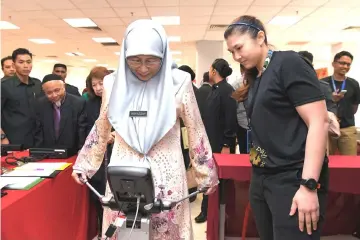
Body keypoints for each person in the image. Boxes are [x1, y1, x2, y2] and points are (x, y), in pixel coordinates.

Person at [71, 19, 218, 240]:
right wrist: (85, 164)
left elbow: (195, 127)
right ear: (124, 55)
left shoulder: (179, 82)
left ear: (163, 54)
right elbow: (102, 126)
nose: (142, 68)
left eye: (151, 60)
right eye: (134, 60)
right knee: (124, 230)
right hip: (124, 170)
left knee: (165, 229)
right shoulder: (112, 83)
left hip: (166, 172)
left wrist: (206, 173)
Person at [224, 15, 329, 240]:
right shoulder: (256, 75)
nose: (236, 56)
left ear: (260, 37)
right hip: (262, 175)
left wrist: (309, 185)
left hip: (292, 176)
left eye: (239, 47)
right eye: (231, 52)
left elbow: (318, 122)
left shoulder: (288, 63)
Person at [195, 58, 237, 224]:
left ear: (213, 71)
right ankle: (208, 210)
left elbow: (230, 119)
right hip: (211, 142)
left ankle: (221, 213)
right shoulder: (216, 89)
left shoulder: (227, 91)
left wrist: (227, 143)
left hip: (221, 144)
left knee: (220, 180)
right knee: (210, 177)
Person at [84, 66, 113, 238]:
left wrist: (115, 135)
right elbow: (86, 127)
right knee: (99, 195)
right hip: (98, 156)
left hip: (117, 154)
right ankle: (103, 232)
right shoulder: (89, 103)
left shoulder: (121, 100)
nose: (98, 88)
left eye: (101, 83)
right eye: (94, 85)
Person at [34, 74, 87, 156]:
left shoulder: (78, 103)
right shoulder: (40, 104)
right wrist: (38, 152)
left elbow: (81, 130)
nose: (54, 95)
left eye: (57, 90)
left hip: (72, 152)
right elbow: (38, 131)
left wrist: (82, 150)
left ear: (64, 87)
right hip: (47, 153)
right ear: (44, 91)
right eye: (49, 92)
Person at [321, 51, 360, 156]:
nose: (345, 66)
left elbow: (354, 108)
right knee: (326, 161)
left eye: (348, 64)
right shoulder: (323, 83)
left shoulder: (354, 84)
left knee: (350, 163)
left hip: (347, 128)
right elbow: (317, 107)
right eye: (342, 63)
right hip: (327, 128)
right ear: (333, 64)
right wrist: (332, 99)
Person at [1, 48, 42, 148]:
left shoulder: (37, 84)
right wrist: (2, 137)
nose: (25, 66)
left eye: (28, 62)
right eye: (21, 62)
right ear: (14, 65)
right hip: (14, 140)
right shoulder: (4, 86)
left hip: (37, 139)